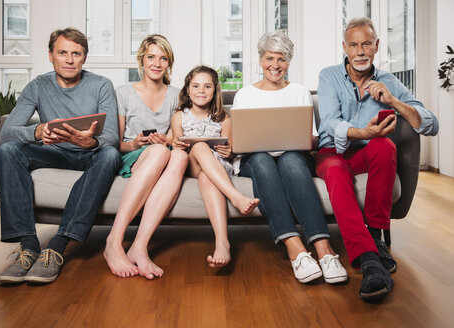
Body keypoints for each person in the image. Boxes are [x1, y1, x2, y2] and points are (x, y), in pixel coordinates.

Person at [316, 17, 439, 300]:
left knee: (384, 145)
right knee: (335, 170)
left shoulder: (388, 81)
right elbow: (330, 123)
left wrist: (394, 102)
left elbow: (431, 125)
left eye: (367, 44)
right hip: (332, 153)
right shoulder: (329, 76)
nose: (360, 52)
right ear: (345, 47)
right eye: (354, 45)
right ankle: (369, 259)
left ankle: (375, 234)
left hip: (366, 153)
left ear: (377, 46)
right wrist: (361, 131)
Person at [0, 28, 121, 284]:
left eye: (76, 53)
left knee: (109, 154)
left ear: (84, 58)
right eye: (62, 52)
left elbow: (112, 139)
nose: (69, 59)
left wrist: (91, 141)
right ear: (51, 55)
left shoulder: (101, 85)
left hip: (91, 155)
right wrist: (39, 131)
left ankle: (57, 245)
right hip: (55, 153)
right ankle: (28, 246)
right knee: (8, 150)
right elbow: (7, 133)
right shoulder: (38, 86)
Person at [233, 30, 348, 284]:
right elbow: (239, 143)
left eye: (282, 59)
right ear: (261, 60)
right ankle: (295, 247)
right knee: (263, 159)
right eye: (269, 58)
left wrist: (301, 139)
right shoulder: (244, 95)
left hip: (293, 155)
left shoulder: (299, 91)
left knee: (290, 160)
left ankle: (324, 249)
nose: (275, 65)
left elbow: (313, 138)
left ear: (289, 62)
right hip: (255, 159)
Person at [103, 34, 188, 279]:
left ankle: (139, 246)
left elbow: (175, 137)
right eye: (151, 57)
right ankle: (113, 242)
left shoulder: (176, 95)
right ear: (141, 60)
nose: (156, 63)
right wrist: (135, 143)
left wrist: (167, 140)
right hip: (133, 155)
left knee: (180, 157)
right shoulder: (123, 93)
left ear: (169, 63)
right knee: (161, 152)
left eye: (163, 58)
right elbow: (114, 143)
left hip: (162, 154)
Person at [171, 65, 259, 268]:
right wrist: (176, 143)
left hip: (217, 167)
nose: (201, 90)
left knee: (206, 177)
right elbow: (176, 145)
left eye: (207, 86)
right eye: (196, 85)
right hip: (191, 163)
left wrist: (230, 151)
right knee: (201, 146)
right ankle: (235, 196)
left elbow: (232, 148)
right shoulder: (179, 116)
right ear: (187, 90)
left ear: (215, 90)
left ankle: (222, 243)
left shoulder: (224, 118)